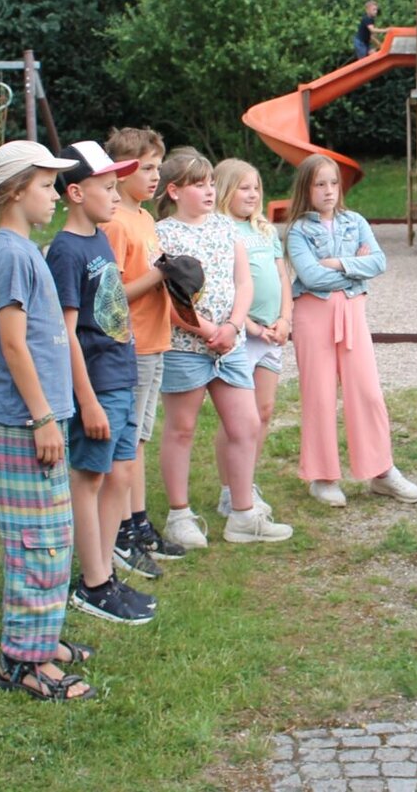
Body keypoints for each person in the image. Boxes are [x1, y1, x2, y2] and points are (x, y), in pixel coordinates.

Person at [0, 140, 95, 700]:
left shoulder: (22, 249)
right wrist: (44, 417)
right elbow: (13, 346)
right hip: (24, 424)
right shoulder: (11, 254)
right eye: (47, 185)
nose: (54, 195)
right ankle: (22, 662)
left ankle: (43, 644)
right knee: (35, 543)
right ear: (16, 190)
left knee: (53, 538)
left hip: (40, 420)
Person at [154, 148, 293, 547]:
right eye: (199, 185)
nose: (209, 191)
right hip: (185, 345)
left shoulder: (225, 228)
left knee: (246, 424)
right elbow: (166, 299)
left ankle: (243, 514)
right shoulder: (163, 233)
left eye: (211, 182)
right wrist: (207, 330)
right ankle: (179, 515)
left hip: (229, 344)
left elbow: (242, 282)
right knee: (181, 428)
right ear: (175, 191)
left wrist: (232, 326)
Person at [46, 140, 157, 625]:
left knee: (119, 475)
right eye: (107, 188)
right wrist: (87, 401)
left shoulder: (100, 237)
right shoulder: (67, 251)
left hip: (120, 375)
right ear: (75, 192)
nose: (117, 197)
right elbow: (65, 333)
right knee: (88, 479)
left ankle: (104, 573)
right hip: (96, 384)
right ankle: (92, 585)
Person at [285, 153, 417, 508]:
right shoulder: (298, 230)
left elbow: (378, 261)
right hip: (312, 316)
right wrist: (354, 269)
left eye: (333, 183)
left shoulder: (355, 221)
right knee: (319, 395)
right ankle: (323, 477)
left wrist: (339, 263)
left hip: (352, 312)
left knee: (367, 391)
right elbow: (310, 276)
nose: (329, 191)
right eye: (320, 184)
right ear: (307, 188)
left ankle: (382, 471)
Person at [101, 127, 186, 579]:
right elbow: (111, 296)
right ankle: (120, 532)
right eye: (146, 167)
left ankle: (137, 523)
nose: (155, 175)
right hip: (128, 346)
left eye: (158, 166)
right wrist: (159, 276)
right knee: (126, 445)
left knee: (139, 441)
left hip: (155, 342)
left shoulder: (145, 219)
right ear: (119, 171)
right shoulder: (115, 222)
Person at [212, 159, 293, 520]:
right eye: (244, 187)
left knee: (264, 411)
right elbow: (224, 288)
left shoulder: (265, 230)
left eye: (256, 187)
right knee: (237, 418)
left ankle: (248, 480)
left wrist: (285, 319)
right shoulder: (220, 230)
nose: (252, 194)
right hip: (243, 334)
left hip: (272, 335)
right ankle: (229, 490)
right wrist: (250, 325)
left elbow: (282, 278)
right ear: (226, 189)